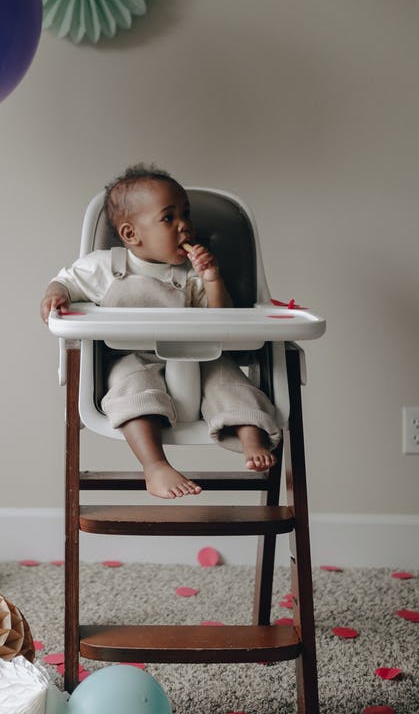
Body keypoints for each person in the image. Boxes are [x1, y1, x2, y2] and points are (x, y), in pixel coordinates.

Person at [40, 164, 280, 499]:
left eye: (186, 214)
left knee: (230, 382)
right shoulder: (106, 266)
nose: (185, 225)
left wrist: (212, 280)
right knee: (130, 388)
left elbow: (223, 319)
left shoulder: (192, 274)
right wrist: (56, 295)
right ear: (130, 234)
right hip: (133, 357)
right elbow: (65, 281)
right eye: (169, 218)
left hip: (199, 358)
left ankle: (250, 435)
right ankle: (154, 465)